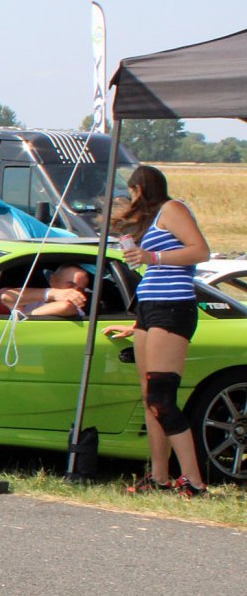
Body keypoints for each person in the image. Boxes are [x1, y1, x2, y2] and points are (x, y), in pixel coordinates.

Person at [102, 165, 212, 497]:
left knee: (162, 397)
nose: (132, 198)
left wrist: (153, 255)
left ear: (140, 187)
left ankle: (193, 481)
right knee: (150, 398)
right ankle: (159, 477)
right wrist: (137, 323)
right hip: (149, 308)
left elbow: (200, 250)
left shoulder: (172, 209)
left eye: (133, 191)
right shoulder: (153, 219)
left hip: (172, 307)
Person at [0, 264, 91, 318]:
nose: (75, 291)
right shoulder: (33, 300)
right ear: (53, 280)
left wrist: (27, 317)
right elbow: (6, 296)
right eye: (70, 285)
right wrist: (51, 293)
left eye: (80, 289)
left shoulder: (76, 308)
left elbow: (65, 307)